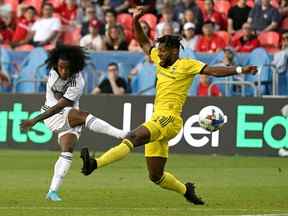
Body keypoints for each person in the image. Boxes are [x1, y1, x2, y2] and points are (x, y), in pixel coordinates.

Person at [80, 6, 257, 204]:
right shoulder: (160, 58)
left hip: (170, 119)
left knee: (132, 137)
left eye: (163, 51)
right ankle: (186, 190)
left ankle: (94, 164)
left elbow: (214, 71)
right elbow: (143, 42)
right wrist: (135, 20)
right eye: (159, 51)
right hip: (158, 118)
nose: (159, 54)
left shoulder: (187, 65)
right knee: (155, 176)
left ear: (174, 50)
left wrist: (241, 69)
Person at [20, 45, 127, 201]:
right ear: (56, 64)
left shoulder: (78, 81)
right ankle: (122, 134)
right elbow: (56, 107)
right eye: (61, 67)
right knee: (83, 116)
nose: (64, 71)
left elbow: (61, 105)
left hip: (64, 113)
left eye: (67, 68)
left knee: (67, 150)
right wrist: (36, 120)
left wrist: (35, 120)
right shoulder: (52, 73)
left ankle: (52, 191)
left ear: (75, 66)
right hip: (52, 115)